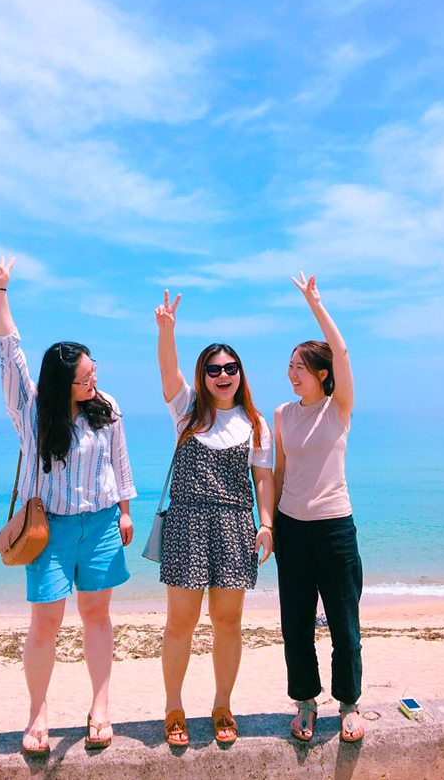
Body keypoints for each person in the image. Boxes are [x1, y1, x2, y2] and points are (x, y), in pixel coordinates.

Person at [0, 257, 136, 754]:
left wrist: (125, 510)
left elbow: (119, 461)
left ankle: (101, 708)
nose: (94, 381)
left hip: (101, 524)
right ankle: (37, 713)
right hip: (48, 530)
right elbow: (10, 353)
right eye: (84, 377)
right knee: (45, 623)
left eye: (94, 371)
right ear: (60, 382)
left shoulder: (107, 407)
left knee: (97, 615)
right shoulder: (31, 411)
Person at [155, 290, 275, 746]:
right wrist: (167, 331)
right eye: (214, 369)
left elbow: (263, 479)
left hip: (234, 526)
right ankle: (174, 707)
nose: (223, 375)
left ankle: (223, 704)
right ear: (202, 376)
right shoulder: (186, 410)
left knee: (228, 622)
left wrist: (266, 525)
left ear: (240, 373)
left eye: (231, 368)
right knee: (179, 623)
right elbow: (169, 370)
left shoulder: (256, 423)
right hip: (187, 524)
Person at [273, 272, 364, 743]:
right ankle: (306, 702)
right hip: (293, 530)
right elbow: (279, 472)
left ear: (321, 374)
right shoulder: (282, 415)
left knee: (345, 625)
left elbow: (342, 352)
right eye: (289, 366)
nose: (292, 374)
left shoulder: (338, 407)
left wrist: (315, 303)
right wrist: (270, 526)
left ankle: (348, 703)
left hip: (334, 530)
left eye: (300, 368)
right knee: (296, 626)